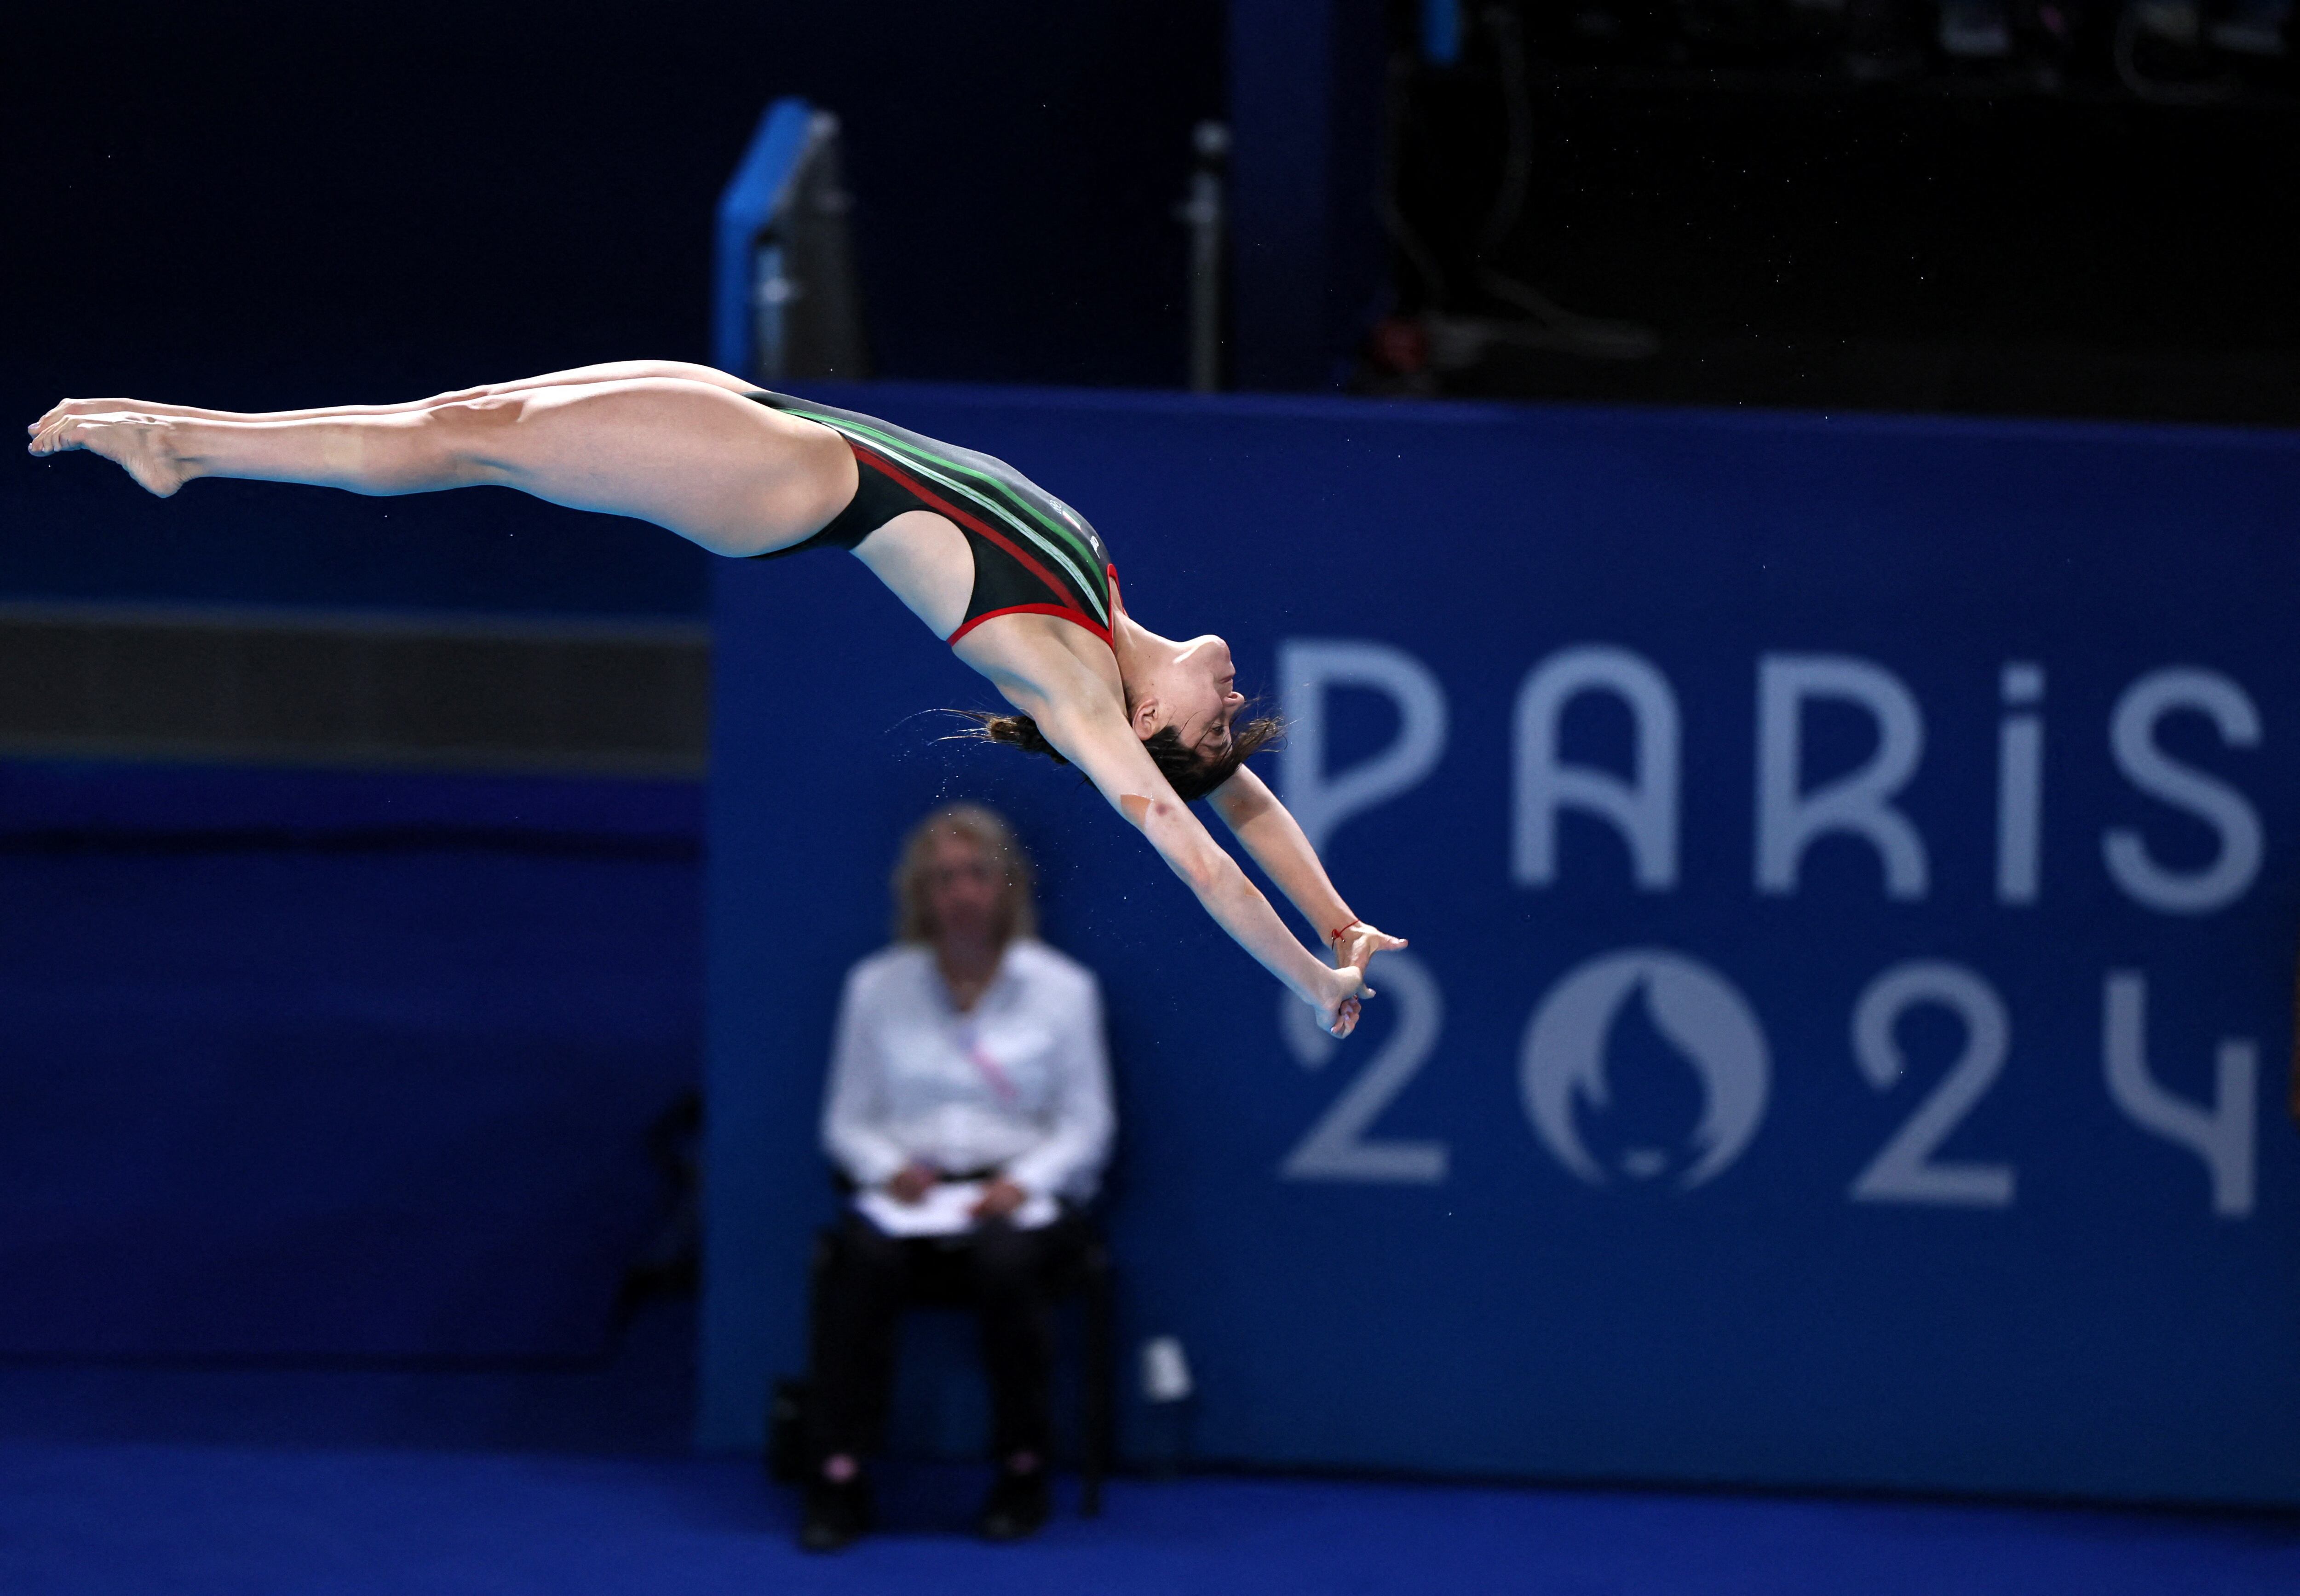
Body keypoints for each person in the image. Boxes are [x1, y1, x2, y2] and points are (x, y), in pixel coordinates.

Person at [29, 364, 1407, 1031]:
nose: (1239, 694)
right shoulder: (1108, 603)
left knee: (465, 445)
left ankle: (185, 449)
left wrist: (1309, 977)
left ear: (1154, 728)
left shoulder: (1075, 685)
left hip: (777, 481)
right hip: (771, 424)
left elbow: (1194, 851)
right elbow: (1244, 805)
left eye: (1219, 717)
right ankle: (188, 447)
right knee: (468, 422)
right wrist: (1338, 908)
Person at [803, 803, 1111, 1551]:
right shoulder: (876, 987)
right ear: (920, 892)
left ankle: (1022, 1468)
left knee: (1009, 1264)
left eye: (977, 874)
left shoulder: (1062, 990)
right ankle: (839, 1475)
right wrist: (889, 1169)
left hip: (1016, 1204)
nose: (962, 892)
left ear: (1008, 886)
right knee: (860, 1261)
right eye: (943, 878)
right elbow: (846, 1121)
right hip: (912, 1198)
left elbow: (1088, 1125)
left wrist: (1026, 1183)